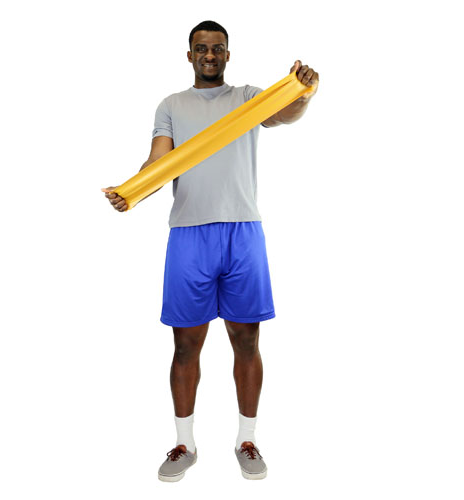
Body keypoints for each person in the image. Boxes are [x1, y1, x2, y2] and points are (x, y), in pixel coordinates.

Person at [102, 20, 319, 482]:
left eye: (217, 48)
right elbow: (159, 161)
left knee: (247, 340)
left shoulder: (247, 98)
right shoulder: (171, 105)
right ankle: (185, 444)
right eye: (201, 48)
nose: (209, 55)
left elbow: (283, 114)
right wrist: (131, 191)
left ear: (227, 54)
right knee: (185, 344)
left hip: (243, 231)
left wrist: (303, 92)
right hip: (189, 234)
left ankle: (247, 440)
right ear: (189, 55)